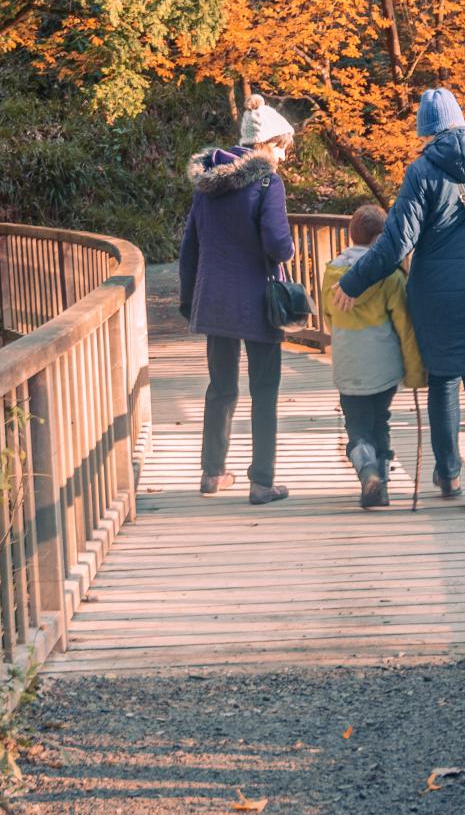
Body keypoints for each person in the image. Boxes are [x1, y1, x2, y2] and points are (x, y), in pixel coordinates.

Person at [329, 87, 465, 515]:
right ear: (461, 118)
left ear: (426, 130)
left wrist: (352, 282)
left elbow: (395, 243)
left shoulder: (422, 171)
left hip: (436, 295)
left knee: (443, 380)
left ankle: (448, 473)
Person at [178, 93, 297, 504]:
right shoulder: (267, 182)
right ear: (270, 144)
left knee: (221, 388)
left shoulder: (207, 185)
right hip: (259, 301)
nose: (284, 157)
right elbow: (278, 243)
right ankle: (262, 481)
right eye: (283, 147)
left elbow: (190, 245)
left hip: (214, 299)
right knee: (264, 391)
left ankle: (212, 473)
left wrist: (187, 298)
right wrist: (289, 251)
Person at [322, 203, 426, 509]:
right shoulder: (391, 277)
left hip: (348, 365)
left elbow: (329, 315)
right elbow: (405, 327)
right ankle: (381, 483)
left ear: (351, 235)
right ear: (383, 237)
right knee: (380, 421)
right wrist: (416, 371)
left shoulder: (331, 273)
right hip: (384, 369)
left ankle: (367, 471)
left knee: (357, 426)